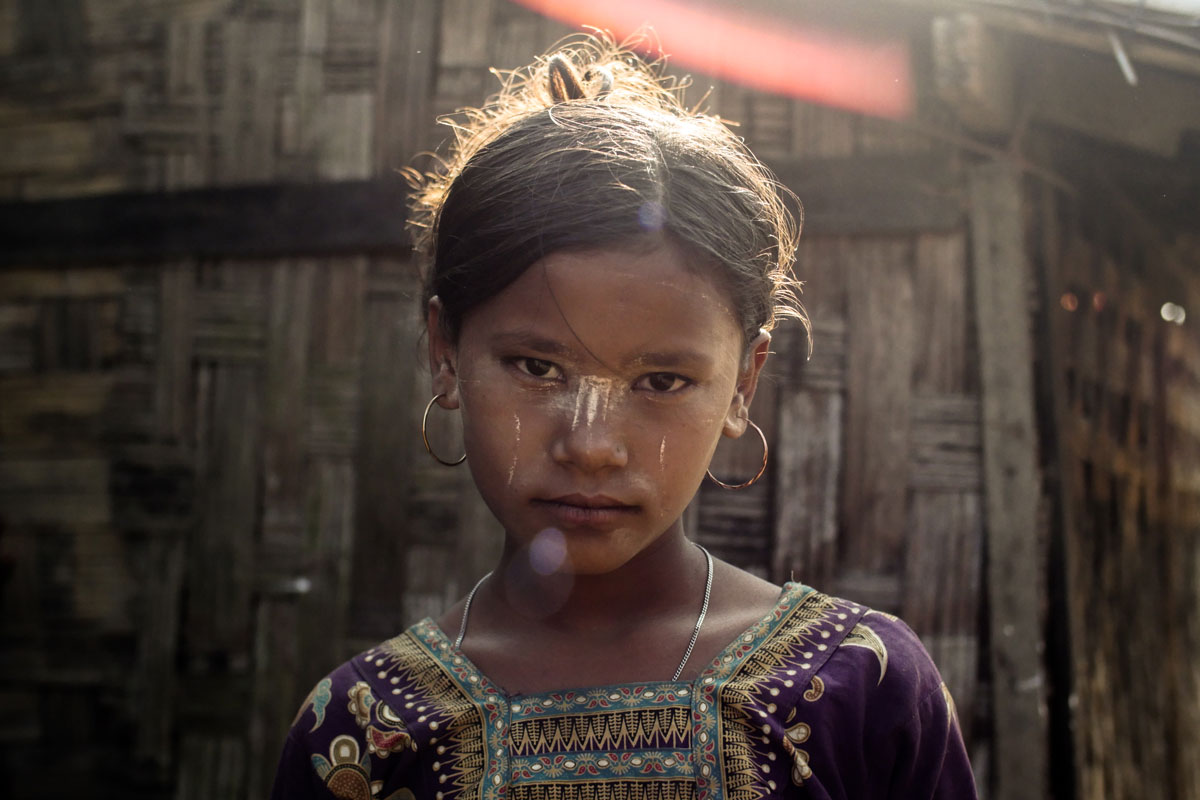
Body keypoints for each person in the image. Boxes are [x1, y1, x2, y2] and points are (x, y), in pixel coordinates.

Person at [270, 34, 977, 800]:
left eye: (663, 380)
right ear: (446, 353)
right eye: (538, 369)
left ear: (744, 382)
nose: (592, 445)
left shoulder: (863, 689)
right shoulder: (360, 735)